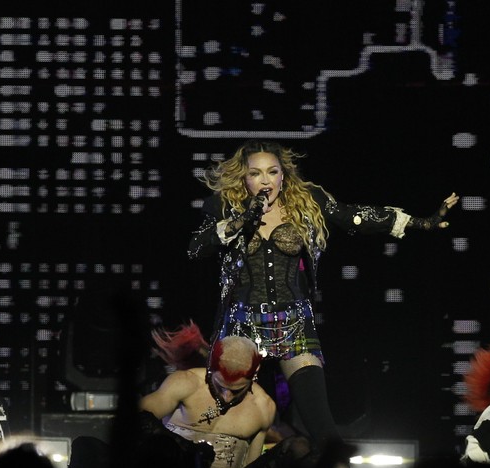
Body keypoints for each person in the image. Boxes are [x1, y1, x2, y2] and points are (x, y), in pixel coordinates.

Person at [188, 139, 460, 447]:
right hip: (241, 329)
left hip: (294, 324)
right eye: (256, 173)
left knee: (322, 427)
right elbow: (196, 248)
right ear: (244, 177)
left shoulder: (307, 201)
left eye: (272, 171)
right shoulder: (223, 207)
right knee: (233, 428)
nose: (265, 180)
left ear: (282, 175)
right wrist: (241, 220)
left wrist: (422, 222)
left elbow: (355, 216)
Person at [140, 324, 278, 468]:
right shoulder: (184, 383)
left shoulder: (263, 407)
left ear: (255, 374)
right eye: (220, 386)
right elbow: (135, 419)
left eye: (237, 390)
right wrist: (186, 448)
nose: (227, 397)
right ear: (210, 369)